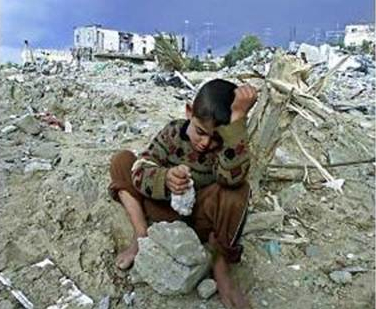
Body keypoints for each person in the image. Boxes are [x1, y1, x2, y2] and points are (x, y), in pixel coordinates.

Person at [109, 79, 258, 308]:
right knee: (122, 160)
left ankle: (220, 267)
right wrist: (165, 179)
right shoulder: (172, 133)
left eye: (215, 137)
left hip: (199, 221)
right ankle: (141, 235)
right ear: (189, 112)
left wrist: (237, 122)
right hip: (160, 209)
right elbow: (142, 166)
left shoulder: (226, 145)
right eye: (200, 132)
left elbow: (233, 178)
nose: (205, 143)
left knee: (238, 190)